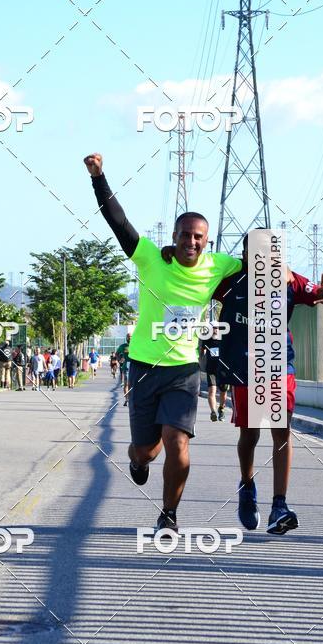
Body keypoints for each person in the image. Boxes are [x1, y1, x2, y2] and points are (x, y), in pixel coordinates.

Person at [84, 152, 242, 533]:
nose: (191, 241)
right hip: (143, 367)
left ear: (207, 241)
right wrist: (98, 177)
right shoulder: (152, 259)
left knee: (178, 443)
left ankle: (169, 514)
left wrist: (287, 271)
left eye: (198, 237)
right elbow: (118, 222)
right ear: (173, 237)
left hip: (184, 371)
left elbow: (259, 265)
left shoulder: (219, 265)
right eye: (185, 235)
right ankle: (137, 461)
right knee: (148, 449)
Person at [211, 234, 323, 534]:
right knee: (250, 434)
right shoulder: (230, 281)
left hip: (281, 366)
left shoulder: (290, 280)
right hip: (246, 367)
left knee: (281, 432)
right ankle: (246, 486)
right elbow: (193, 276)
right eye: (255, 251)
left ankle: (279, 505)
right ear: (244, 254)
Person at [200, 328, 228, 421]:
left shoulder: (224, 339)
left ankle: (221, 409)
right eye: (213, 328)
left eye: (217, 328)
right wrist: (200, 357)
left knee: (223, 392)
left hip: (222, 370)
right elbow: (202, 351)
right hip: (211, 370)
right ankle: (213, 412)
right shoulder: (207, 339)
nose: (215, 330)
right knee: (212, 391)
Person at [115, 332, 131, 405]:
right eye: (128, 336)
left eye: (130, 336)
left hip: (135, 367)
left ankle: (132, 398)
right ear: (126, 338)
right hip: (126, 367)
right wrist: (119, 359)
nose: (129, 338)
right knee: (126, 384)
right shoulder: (123, 346)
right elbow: (117, 353)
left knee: (134, 384)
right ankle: (127, 399)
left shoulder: (136, 345)